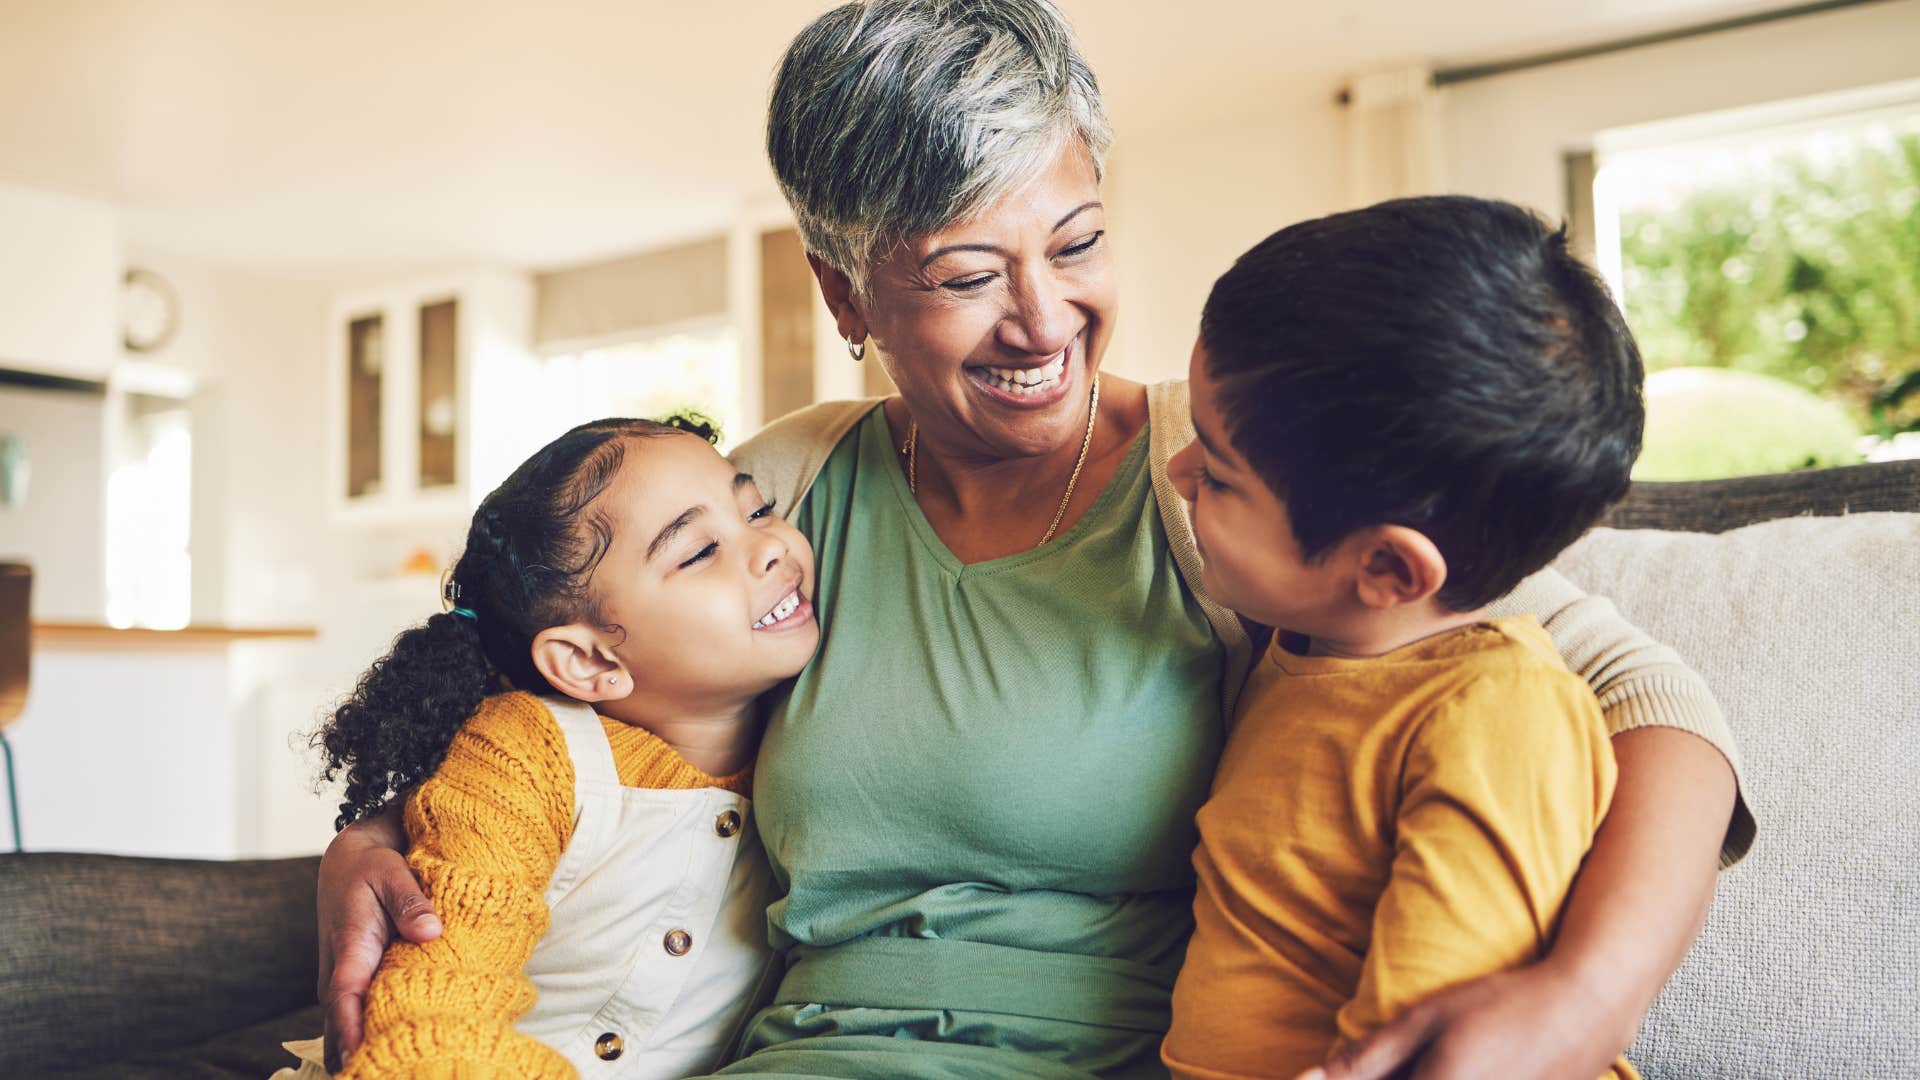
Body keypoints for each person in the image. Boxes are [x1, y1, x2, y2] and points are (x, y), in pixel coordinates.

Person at [314, 3, 1754, 1078]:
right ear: (846, 290)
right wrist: (375, 837)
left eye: (1074, 243)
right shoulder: (784, 495)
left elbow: (1644, 699)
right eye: (963, 274)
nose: (1044, 321)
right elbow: (557, 666)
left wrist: (1579, 1002)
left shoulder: (1238, 484)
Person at [1160, 197, 1649, 1080]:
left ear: (1387, 570)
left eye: (1219, 477)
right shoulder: (1307, 650)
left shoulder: (1495, 714)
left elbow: (1424, 1052)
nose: (1176, 471)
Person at [278, 416, 820, 1078]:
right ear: (588, 661)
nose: (770, 547)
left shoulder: (812, 740)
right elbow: (431, 1026)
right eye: (699, 552)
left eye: (757, 509)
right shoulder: (524, 753)